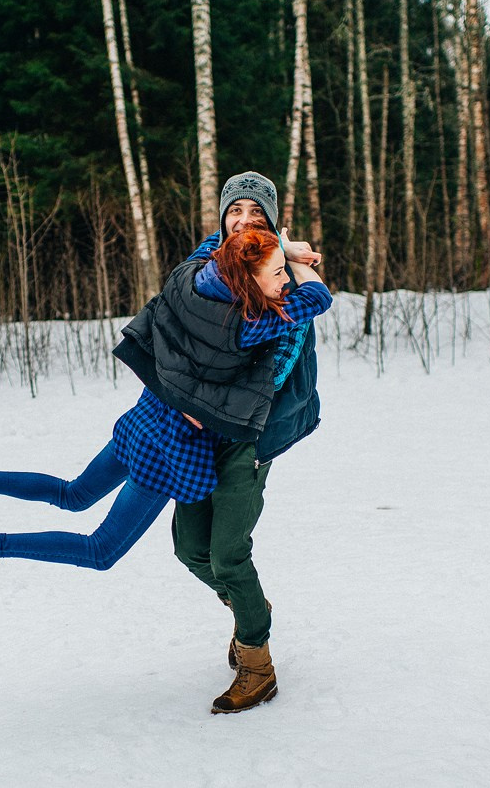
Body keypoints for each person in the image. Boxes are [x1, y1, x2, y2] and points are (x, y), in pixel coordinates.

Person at [0, 221, 330, 713]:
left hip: (143, 420)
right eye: (277, 272)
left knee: (73, 494)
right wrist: (298, 260)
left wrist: (275, 251)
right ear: (246, 277)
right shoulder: (248, 322)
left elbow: (206, 251)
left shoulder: (192, 285)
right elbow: (315, 300)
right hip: (171, 450)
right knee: (100, 550)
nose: (285, 279)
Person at [165, 171, 325, 714]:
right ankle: (250, 607)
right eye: (237, 212)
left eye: (257, 216)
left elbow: (274, 369)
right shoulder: (206, 269)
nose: (245, 221)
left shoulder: (284, 279)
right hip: (196, 434)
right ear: (223, 218)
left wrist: (294, 261)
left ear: (272, 225)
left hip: (248, 435)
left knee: (229, 553)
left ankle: (257, 662)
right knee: (189, 546)